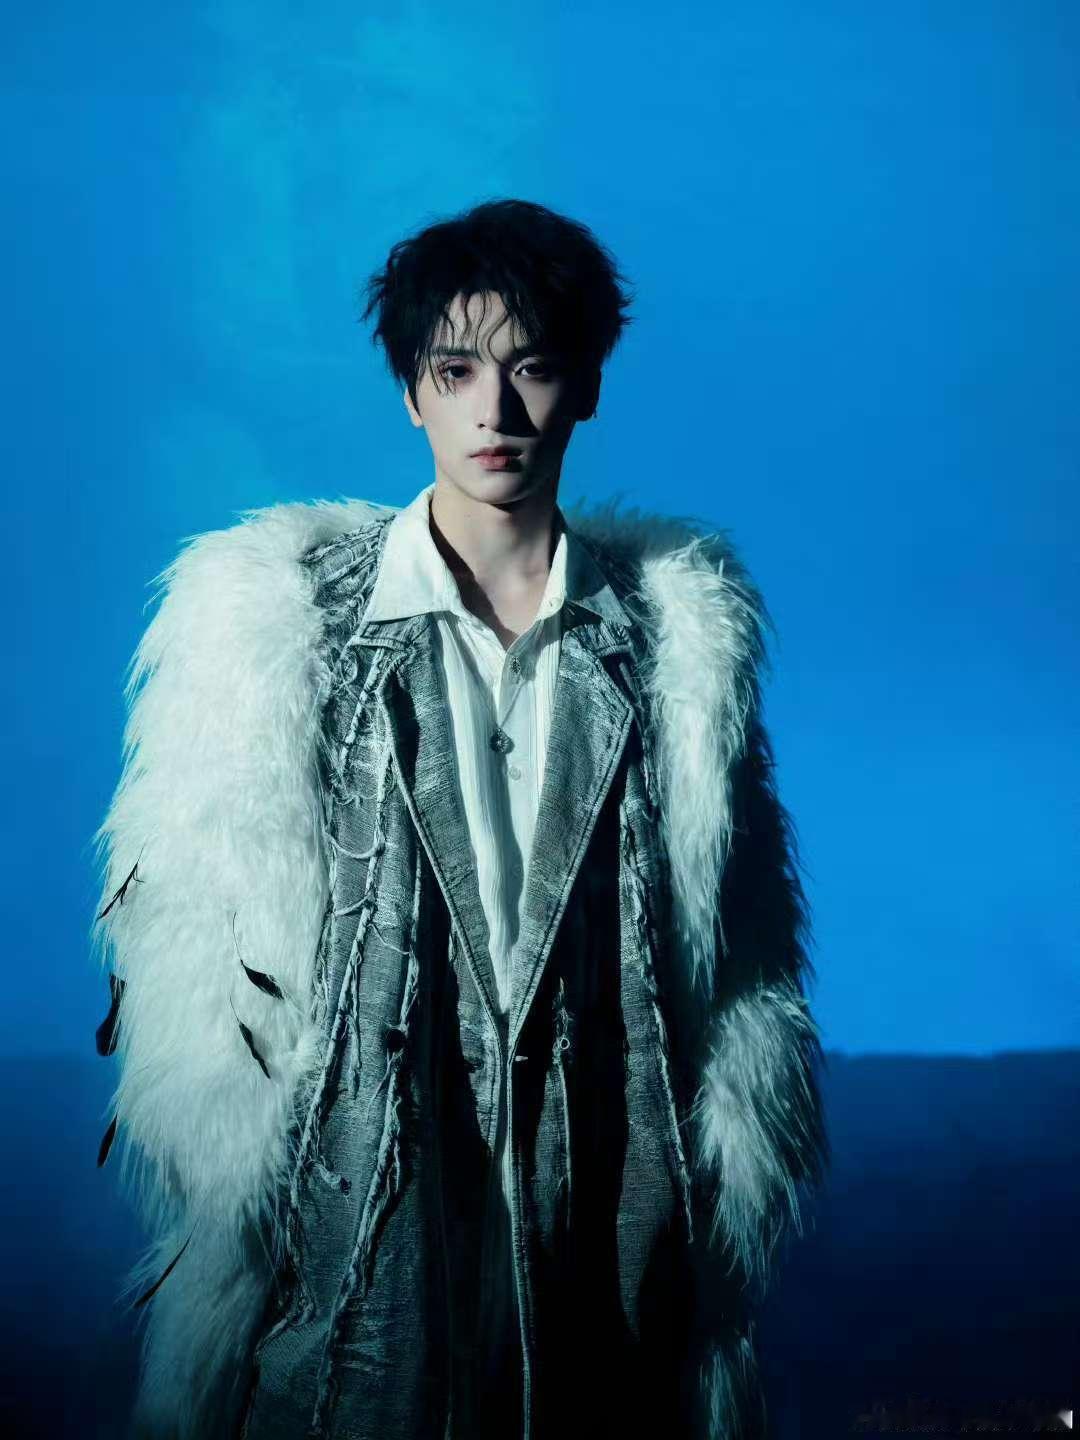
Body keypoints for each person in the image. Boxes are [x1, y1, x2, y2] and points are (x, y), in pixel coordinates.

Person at [90, 197, 829, 1440]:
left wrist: (710, 1193)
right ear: (411, 395)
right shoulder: (277, 630)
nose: (497, 412)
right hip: (360, 1223)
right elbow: (208, 968)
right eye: (456, 372)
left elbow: (736, 962)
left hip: (608, 1215)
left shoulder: (677, 645)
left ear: (586, 386)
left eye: (531, 368)